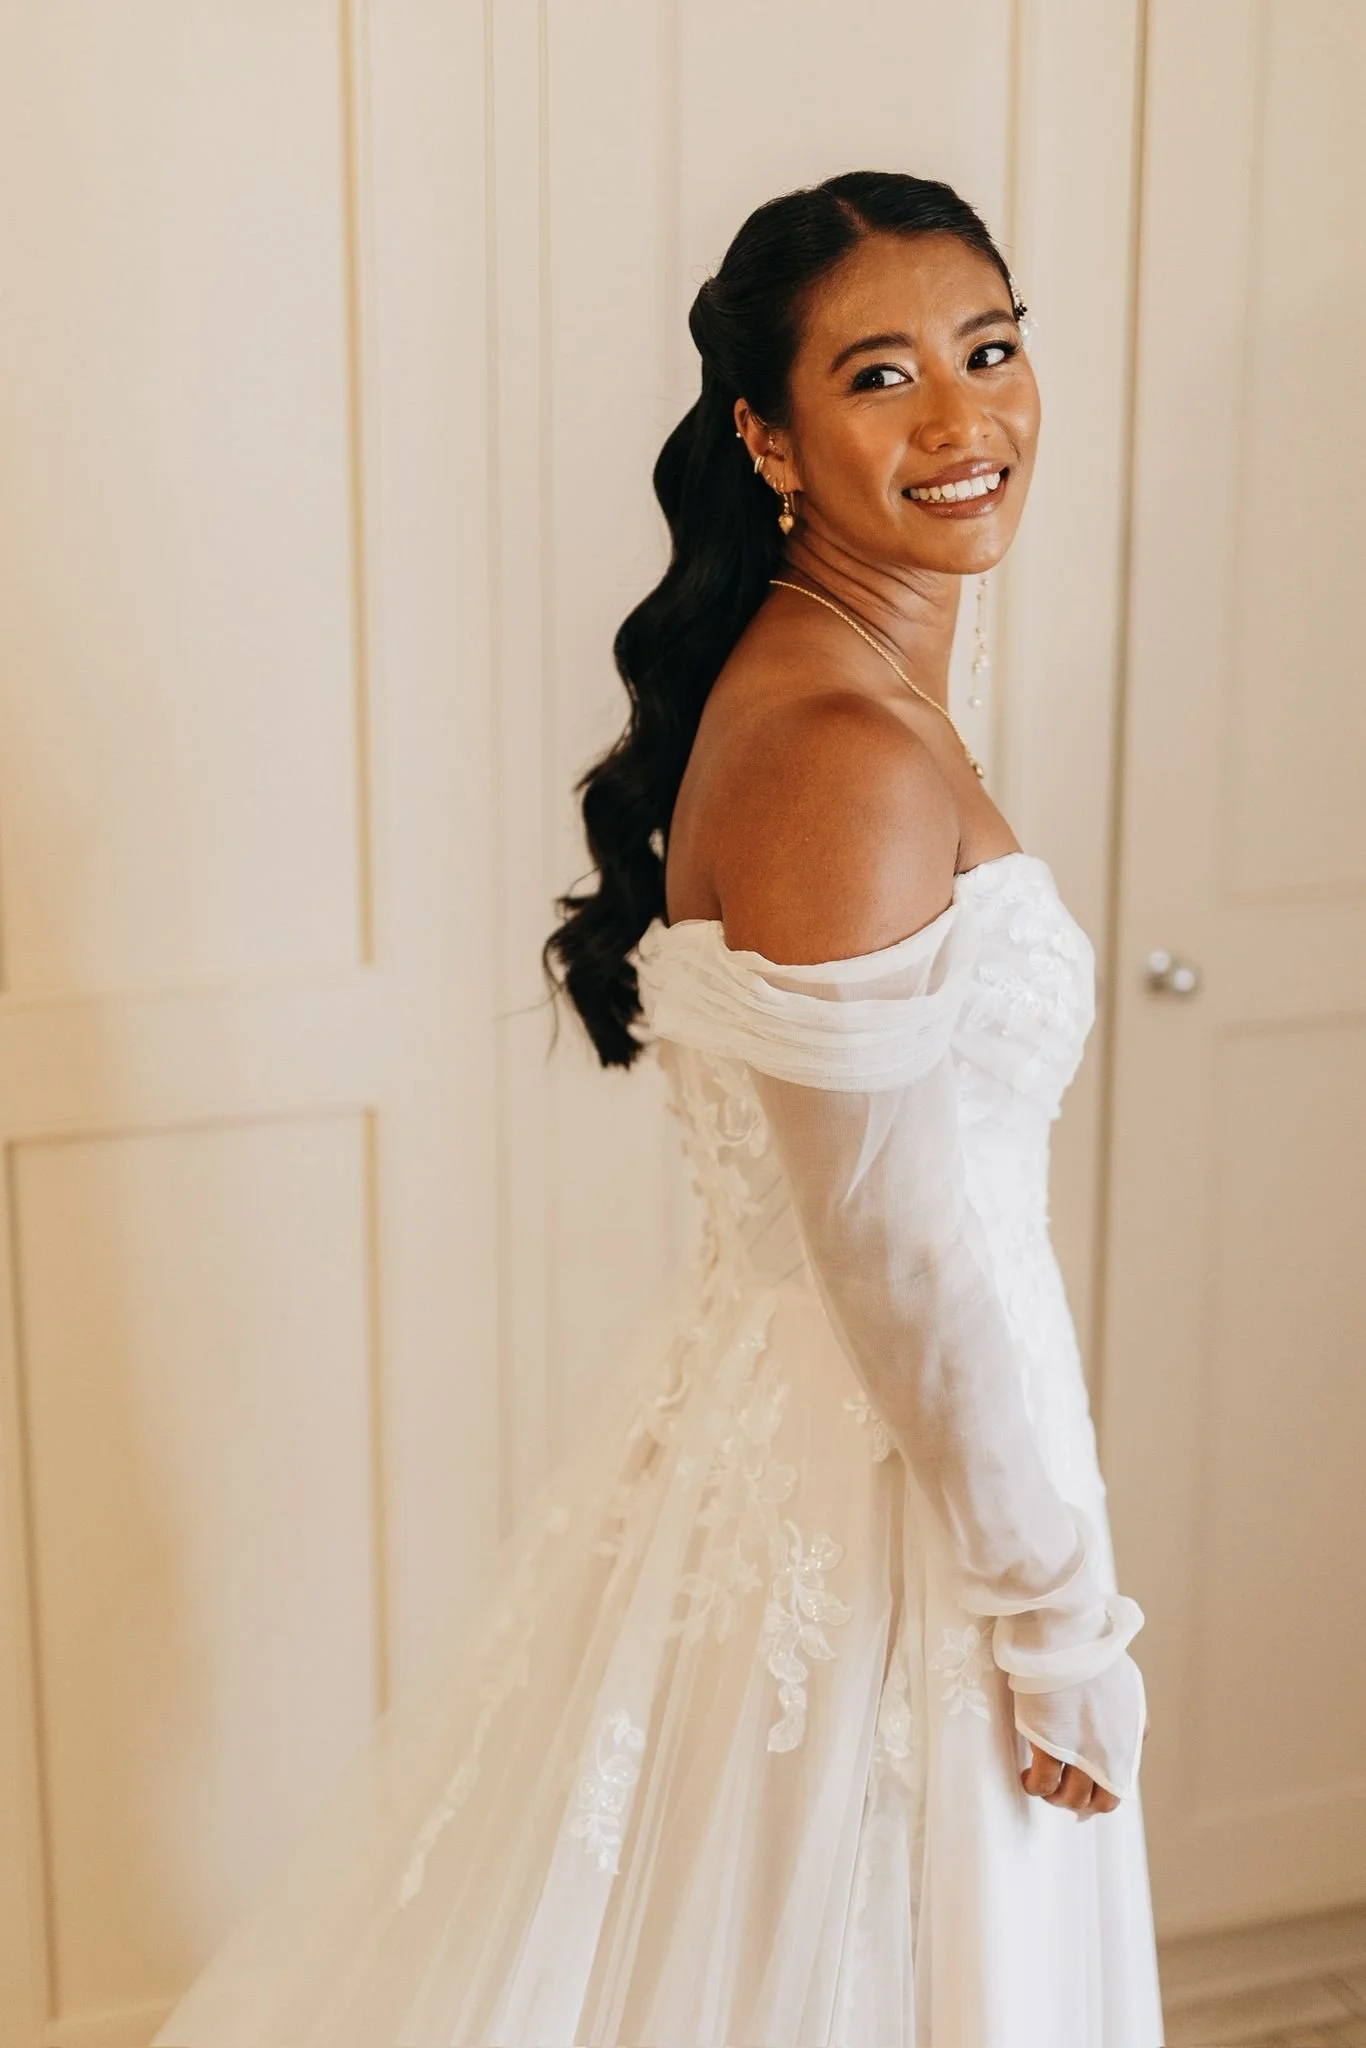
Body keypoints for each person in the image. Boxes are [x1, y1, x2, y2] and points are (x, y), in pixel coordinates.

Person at [152, 170, 1163, 2047]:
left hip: (874, 1447)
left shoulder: (836, 689)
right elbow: (902, 1257)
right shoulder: (840, 753)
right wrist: (1054, 1619)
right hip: (900, 1498)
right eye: (880, 377)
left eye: (991, 349)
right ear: (767, 439)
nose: (963, 421)